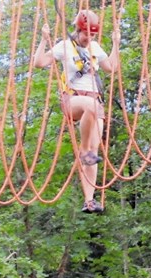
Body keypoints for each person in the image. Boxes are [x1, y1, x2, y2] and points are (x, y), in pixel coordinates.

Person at [33, 10, 121, 213]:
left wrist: (116, 43)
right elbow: (39, 63)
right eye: (85, 35)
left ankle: (89, 200)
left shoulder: (96, 48)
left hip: (94, 101)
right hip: (73, 99)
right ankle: (85, 150)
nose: (88, 39)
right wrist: (43, 40)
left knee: (93, 150)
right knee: (89, 112)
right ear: (78, 30)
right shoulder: (65, 46)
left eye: (92, 35)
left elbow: (111, 67)